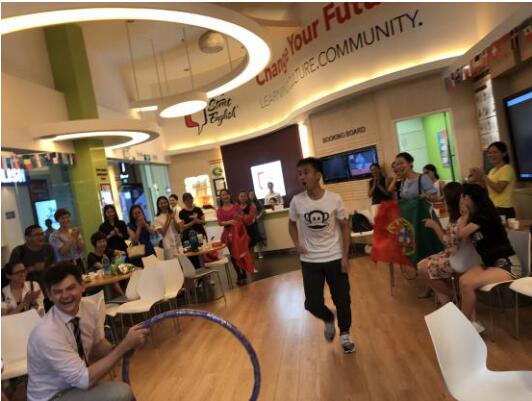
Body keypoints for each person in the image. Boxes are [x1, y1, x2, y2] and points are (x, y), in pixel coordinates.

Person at [26, 261, 149, 401]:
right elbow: (84, 380)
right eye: (58, 292)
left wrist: (126, 345)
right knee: (122, 392)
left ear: (82, 286)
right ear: (49, 295)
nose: (65, 295)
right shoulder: (47, 333)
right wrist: (123, 347)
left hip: (74, 385)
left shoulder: (89, 308)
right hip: (52, 396)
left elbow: (97, 345)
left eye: (70, 288)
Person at [288, 157, 355, 353]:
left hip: (335, 257)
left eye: (306, 172)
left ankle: (345, 334)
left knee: (343, 300)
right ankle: (328, 318)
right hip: (310, 260)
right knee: (312, 304)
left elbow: (345, 227)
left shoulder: (334, 199)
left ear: (318, 175)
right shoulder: (297, 201)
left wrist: (345, 256)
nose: (302, 177)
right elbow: (291, 224)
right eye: (299, 173)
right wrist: (297, 244)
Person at [457, 183, 522, 333]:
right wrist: (465, 216)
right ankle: (473, 323)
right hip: (490, 264)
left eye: (464, 197)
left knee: (468, 284)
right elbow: (465, 239)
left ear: (472, 198)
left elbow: (460, 234)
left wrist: (465, 216)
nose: (461, 201)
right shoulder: (474, 219)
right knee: (463, 280)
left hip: (508, 265)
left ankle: (462, 325)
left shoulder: (483, 216)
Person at [417, 182, 463, 304]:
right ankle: (446, 299)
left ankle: (453, 295)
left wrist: (435, 226)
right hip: (452, 255)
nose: (442, 201)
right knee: (422, 265)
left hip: (457, 258)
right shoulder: (456, 218)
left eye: (444, 199)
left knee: (422, 268)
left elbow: (448, 243)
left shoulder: (460, 220)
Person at [469, 141, 516, 219]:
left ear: (504, 154)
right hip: (493, 207)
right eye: (489, 153)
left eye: (495, 152)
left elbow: (499, 189)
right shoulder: (492, 170)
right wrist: (477, 178)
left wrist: (483, 176)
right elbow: (488, 189)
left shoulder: (507, 169)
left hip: (504, 209)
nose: (491, 155)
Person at [216, 189, 251, 285]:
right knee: (233, 255)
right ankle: (239, 275)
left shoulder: (236, 206)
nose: (225, 196)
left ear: (230, 195)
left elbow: (242, 216)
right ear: (221, 197)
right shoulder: (219, 210)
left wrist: (239, 217)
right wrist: (230, 222)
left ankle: (244, 273)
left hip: (238, 233)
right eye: (223, 195)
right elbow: (220, 222)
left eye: (226, 194)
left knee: (241, 253)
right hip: (228, 235)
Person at [8, 224, 55, 295]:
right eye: (37, 235)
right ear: (27, 238)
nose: (41, 237)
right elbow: (13, 275)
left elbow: (54, 266)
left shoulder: (48, 248)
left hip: (49, 289)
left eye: (42, 234)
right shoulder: (19, 251)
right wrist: (33, 268)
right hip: (28, 291)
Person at [87, 232, 125, 297]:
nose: (102, 244)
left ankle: (123, 296)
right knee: (112, 280)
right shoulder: (91, 256)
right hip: (96, 284)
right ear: (94, 244)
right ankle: (123, 296)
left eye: (104, 241)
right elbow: (103, 268)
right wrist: (107, 262)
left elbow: (122, 253)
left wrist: (117, 258)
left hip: (109, 280)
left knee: (114, 279)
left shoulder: (107, 251)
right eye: (99, 242)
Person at [248, 191, 267, 258]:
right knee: (252, 238)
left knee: (259, 236)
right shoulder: (247, 203)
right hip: (250, 223)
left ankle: (260, 253)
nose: (252, 196)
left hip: (258, 222)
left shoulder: (258, 202)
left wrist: (258, 216)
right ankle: (252, 254)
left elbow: (263, 210)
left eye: (253, 194)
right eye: (250, 194)